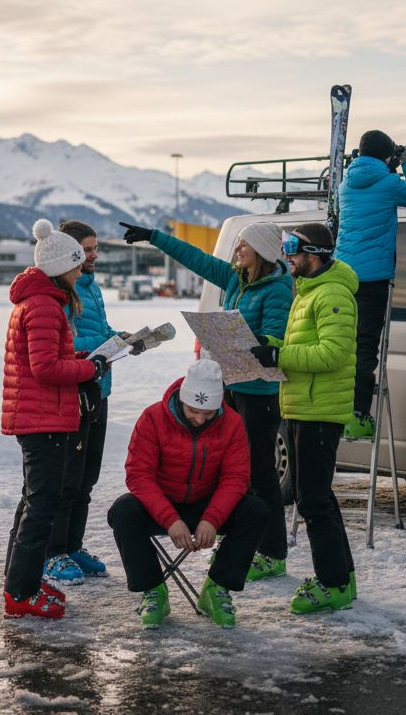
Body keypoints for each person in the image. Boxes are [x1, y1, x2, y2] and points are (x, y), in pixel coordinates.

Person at [119, 219, 293, 583]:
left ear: (261, 250)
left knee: (260, 473)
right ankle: (241, 541)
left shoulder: (277, 289)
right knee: (234, 471)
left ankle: (273, 552)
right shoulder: (235, 278)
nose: (237, 250)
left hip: (258, 392)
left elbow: (275, 337)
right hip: (229, 384)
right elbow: (196, 259)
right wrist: (154, 237)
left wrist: (260, 344)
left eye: (244, 245)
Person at [106, 359, 270, 629]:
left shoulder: (232, 423)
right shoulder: (153, 418)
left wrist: (212, 519)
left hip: (207, 505)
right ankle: (153, 591)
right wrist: (170, 519)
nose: (200, 419)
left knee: (256, 510)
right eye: (194, 411)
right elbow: (139, 475)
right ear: (183, 398)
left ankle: (217, 589)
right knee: (122, 511)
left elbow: (235, 478)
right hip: (163, 504)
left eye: (208, 413)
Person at [1, 219, 108, 619]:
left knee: (32, 504)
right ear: (61, 266)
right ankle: (21, 593)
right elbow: (45, 369)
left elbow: (47, 361)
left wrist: (82, 360)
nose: (82, 271)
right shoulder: (45, 305)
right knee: (41, 508)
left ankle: (20, 581)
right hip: (42, 419)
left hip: (40, 415)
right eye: (77, 265)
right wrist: (88, 370)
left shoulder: (44, 301)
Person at [249, 223, 359, 613]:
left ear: (314, 253)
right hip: (300, 405)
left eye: (292, 249)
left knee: (312, 501)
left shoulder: (332, 295)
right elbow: (306, 347)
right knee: (316, 497)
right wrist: (272, 346)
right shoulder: (307, 292)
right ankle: (340, 577)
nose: (286, 257)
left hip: (319, 410)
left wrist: (280, 357)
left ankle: (333, 582)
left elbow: (330, 353)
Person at [42, 220, 143, 585]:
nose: (94, 255)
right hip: (76, 391)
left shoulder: (90, 285)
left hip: (99, 389)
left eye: (95, 248)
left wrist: (122, 339)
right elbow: (64, 345)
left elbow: (96, 332)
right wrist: (92, 358)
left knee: (87, 477)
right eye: (87, 249)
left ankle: (73, 544)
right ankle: (53, 552)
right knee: (67, 478)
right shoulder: (61, 290)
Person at [333, 130, 406, 440]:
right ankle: (359, 415)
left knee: (344, 344)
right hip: (373, 279)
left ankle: (340, 407)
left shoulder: (345, 184)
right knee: (365, 347)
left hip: (342, 275)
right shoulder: (389, 184)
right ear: (387, 155)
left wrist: (389, 163)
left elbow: (369, 186)